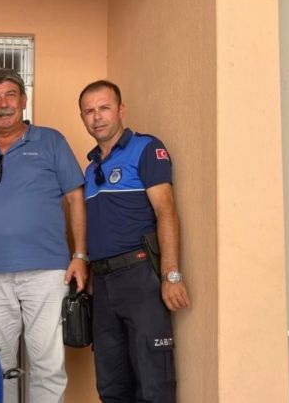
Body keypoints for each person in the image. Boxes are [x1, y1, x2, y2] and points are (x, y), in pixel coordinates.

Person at [0, 68, 88, 403]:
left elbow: (76, 198)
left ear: (24, 100)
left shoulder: (51, 141)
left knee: (46, 364)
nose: (3, 104)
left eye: (10, 95)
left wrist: (80, 255)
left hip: (47, 271)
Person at [78, 80, 191, 402]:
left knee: (153, 382)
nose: (97, 117)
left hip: (140, 278)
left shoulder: (146, 149)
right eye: (89, 111)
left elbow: (166, 211)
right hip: (102, 284)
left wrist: (172, 275)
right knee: (111, 385)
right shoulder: (90, 169)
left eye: (104, 108)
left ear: (121, 110)